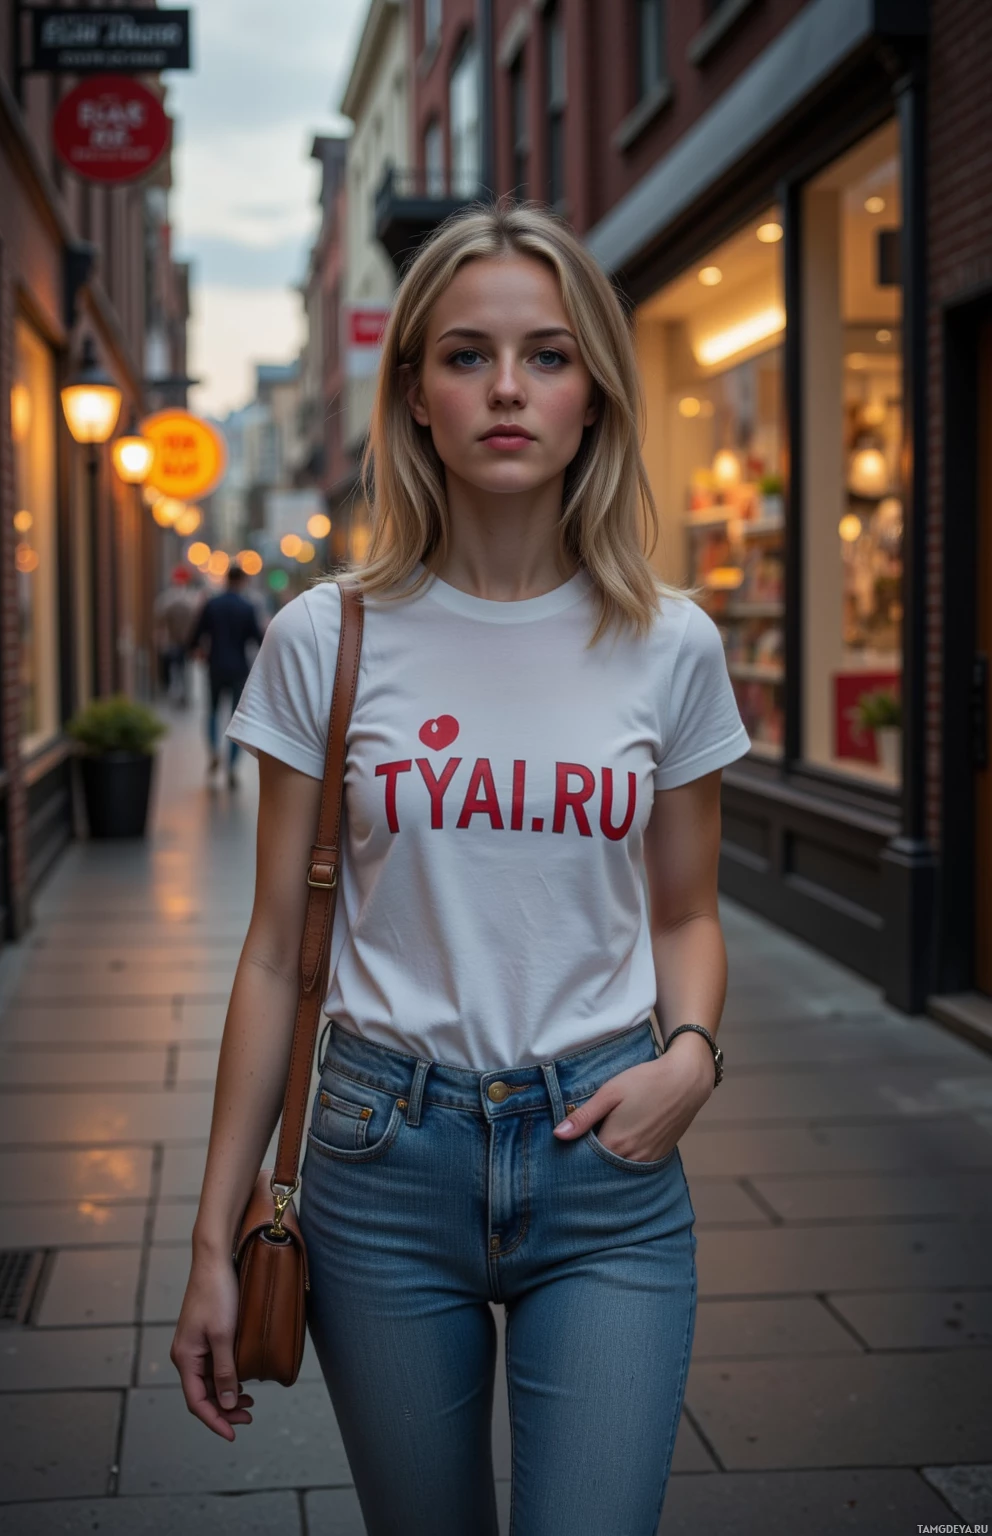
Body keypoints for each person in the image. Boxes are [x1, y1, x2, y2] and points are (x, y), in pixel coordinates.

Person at [171, 202, 751, 1536]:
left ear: (596, 393)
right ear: (415, 396)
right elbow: (272, 953)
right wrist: (213, 1241)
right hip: (381, 1159)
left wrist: (693, 1059)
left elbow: (688, 911)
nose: (507, 389)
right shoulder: (328, 637)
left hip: (606, 1156)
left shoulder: (671, 645)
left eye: (548, 356)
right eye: (467, 355)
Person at [187, 563, 262, 787]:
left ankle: (213, 751)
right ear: (242, 581)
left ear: (226, 579)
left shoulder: (212, 604)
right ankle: (231, 765)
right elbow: (258, 639)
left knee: (212, 711)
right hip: (239, 669)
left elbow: (196, 634)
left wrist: (195, 650)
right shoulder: (247, 607)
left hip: (215, 667)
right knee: (236, 719)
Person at [153, 565, 199, 707]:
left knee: (178, 669)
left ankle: (179, 694)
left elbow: (159, 618)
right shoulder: (191, 599)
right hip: (184, 641)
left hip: (176, 641)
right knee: (183, 670)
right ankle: (183, 695)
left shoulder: (167, 599)